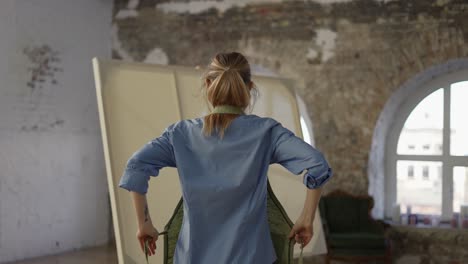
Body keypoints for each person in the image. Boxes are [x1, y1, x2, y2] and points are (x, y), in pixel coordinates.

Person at [118, 51, 333, 264]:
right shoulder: (267, 132)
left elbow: (136, 165)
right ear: (249, 88)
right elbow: (317, 165)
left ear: (208, 83)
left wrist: (144, 222)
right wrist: (306, 219)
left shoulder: (180, 134)